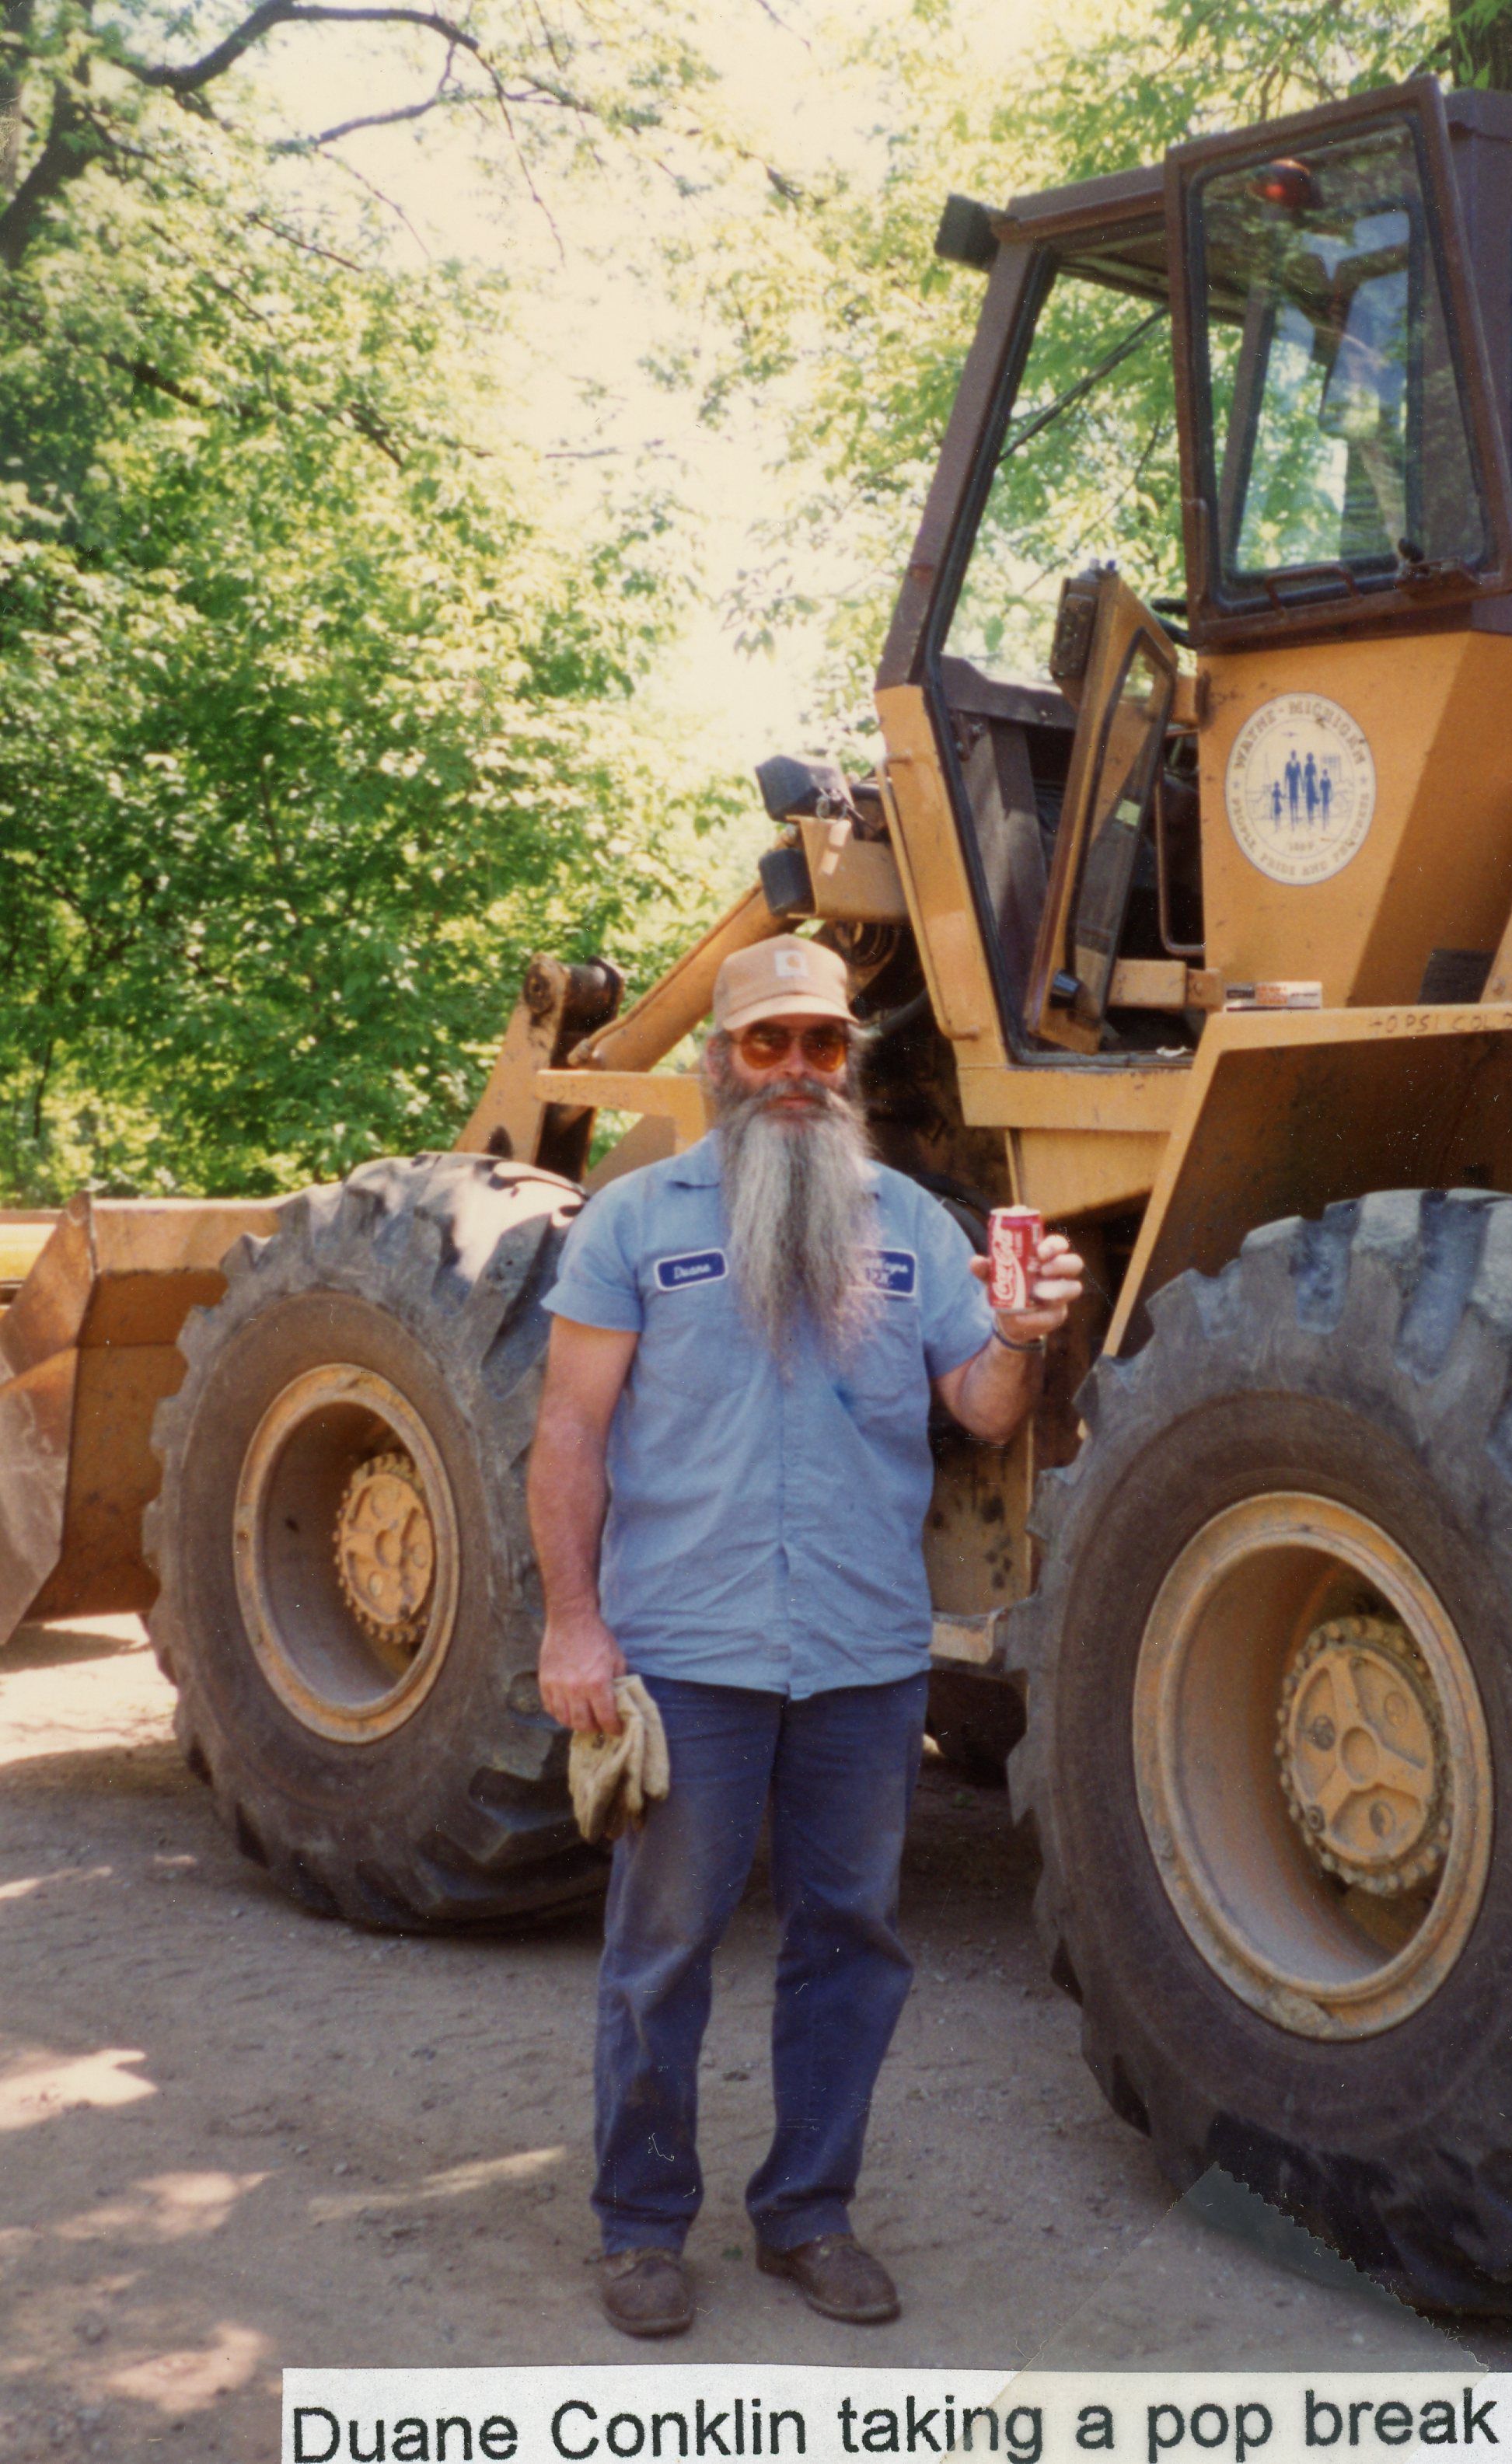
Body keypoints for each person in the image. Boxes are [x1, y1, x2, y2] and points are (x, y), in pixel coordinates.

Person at [529, 934, 1084, 2342]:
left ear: (848, 1062)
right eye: (766, 1041)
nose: (794, 1067)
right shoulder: (634, 1220)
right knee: (665, 1946)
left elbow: (983, 1408)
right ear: (718, 1059)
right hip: (687, 1649)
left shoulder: (910, 1225)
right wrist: (573, 1625)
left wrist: (1022, 1332)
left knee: (850, 1939)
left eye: (821, 1043)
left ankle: (808, 2214)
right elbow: (569, 1433)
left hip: (863, 1650)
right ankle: (641, 2226)